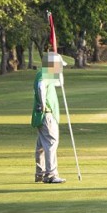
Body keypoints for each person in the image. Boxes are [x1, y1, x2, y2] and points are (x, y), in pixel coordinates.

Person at [32, 52, 67, 184]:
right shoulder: (44, 75)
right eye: (58, 66)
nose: (60, 68)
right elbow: (41, 88)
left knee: (42, 144)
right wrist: (42, 104)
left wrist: (59, 71)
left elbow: (60, 83)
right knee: (51, 143)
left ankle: (40, 172)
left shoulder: (44, 74)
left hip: (43, 115)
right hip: (47, 114)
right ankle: (50, 174)